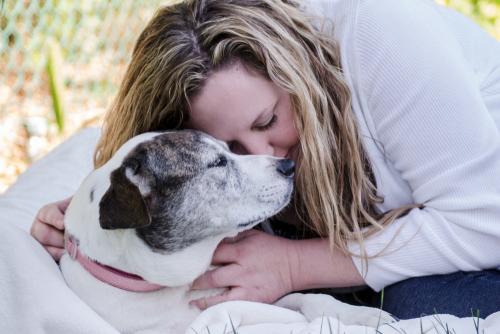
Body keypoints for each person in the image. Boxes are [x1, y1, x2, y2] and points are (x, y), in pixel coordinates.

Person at [30, 0, 500, 319]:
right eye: (227, 152)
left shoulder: (378, 32)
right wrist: (98, 224)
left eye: (266, 121)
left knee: (420, 304)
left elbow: (486, 218)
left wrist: (294, 265)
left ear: (292, 70)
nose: (261, 157)